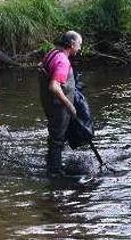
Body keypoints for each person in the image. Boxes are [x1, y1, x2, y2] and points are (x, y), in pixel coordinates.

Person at [39, 30, 82, 177]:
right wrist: (69, 105)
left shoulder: (52, 52)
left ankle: (51, 164)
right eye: (79, 44)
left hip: (49, 103)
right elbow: (54, 86)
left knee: (54, 136)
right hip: (59, 106)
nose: (80, 48)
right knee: (58, 139)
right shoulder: (63, 61)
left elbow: (43, 69)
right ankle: (55, 172)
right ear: (71, 44)